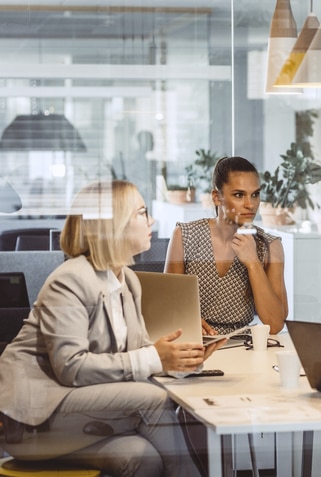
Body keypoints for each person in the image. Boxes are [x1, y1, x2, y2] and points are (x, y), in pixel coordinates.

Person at [0, 180, 222, 477]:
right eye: (142, 213)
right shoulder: (70, 280)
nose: (151, 221)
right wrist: (155, 358)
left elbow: (138, 353)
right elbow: (71, 367)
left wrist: (181, 359)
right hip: (33, 420)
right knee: (153, 398)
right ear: (115, 225)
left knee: (141, 456)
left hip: (79, 415)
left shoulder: (126, 281)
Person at [164, 155, 288, 336]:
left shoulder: (269, 246)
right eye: (239, 195)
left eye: (255, 194)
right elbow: (167, 307)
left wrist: (253, 263)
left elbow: (275, 324)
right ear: (217, 197)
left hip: (243, 348)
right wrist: (187, 320)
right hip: (194, 342)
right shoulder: (185, 236)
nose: (250, 204)